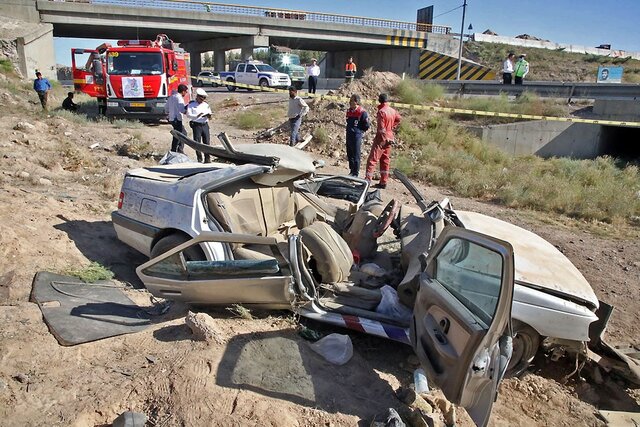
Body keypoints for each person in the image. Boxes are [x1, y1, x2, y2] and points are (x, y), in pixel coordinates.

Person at [364, 93, 401, 189]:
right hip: (390, 137)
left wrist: (384, 137)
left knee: (372, 160)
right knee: (385, 160)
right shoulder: (392, 110)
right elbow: (398, 119)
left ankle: (367, 181)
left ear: (379, 100)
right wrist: (392, 127)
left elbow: (381, 127)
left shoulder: (381, 111)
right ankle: (383, 181)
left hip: (381, 139)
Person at [345, 94, 369, 177]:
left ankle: (356, 173)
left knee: (356, 155)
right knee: (350, 154)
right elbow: (347, 121)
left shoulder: (362, 112)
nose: (350, 102)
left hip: (356, 136)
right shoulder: (349, 111)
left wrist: (359, 131)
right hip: (349, 135)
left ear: (356, 102)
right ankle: (351, 171)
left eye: (351, 101)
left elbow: (366, 125)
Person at [186, 88, 212, 163]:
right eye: (201, 98)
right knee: (197, 143)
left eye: (204, 98)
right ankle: (199, 158)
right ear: (197, 97)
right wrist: (197, 116)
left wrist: (209, 116)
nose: (202, 100)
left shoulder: (206, 105)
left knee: (207, 142)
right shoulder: (191, 105)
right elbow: (188, 115)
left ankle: (207, 158)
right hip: (196, 125)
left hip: (205, 124)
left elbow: (210, 113)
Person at [165, 84, 188, 153]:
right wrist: (187, 109)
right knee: (183, 134)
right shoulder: (179, 98)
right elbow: (182, 110)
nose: (186, 94)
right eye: (186, 92)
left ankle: (174, 149)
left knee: (177, 134)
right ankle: (179, 150)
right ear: (183, 91)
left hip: (172, 119)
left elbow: (166, 108)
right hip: (177, 119)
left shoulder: (171, 97)